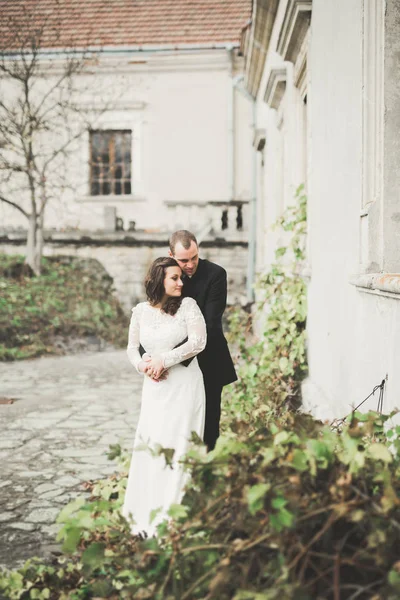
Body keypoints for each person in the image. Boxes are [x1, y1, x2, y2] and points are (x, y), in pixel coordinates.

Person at [122, 257, 207, 536]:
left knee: (180, 442)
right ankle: (145, 512)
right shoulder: (140, 311)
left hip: (184, 386)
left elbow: (198, 342)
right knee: (151, 443)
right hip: (155, 389)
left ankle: (176, 517)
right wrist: (144, 365)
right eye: (174, 278)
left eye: (181, 277)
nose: (181, 282)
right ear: (159, 280)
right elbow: (132, 348)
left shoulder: (188, 307)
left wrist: (163, 360)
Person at [169, 230, 237, 451]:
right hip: (173, 364)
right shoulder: (165, 275)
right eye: (183, 260)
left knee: (209, 424)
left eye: (194, 257)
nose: (190, 265)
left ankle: (208, 470)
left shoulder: (216, 274)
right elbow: (154, 316)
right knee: (178, 421)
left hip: (209, 359)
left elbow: (211, 324)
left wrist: (172, 358)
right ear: (171, 255)